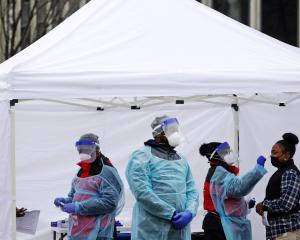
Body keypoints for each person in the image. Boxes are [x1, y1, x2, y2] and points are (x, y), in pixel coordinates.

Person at [126, 115, 199, 240]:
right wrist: (170, 214)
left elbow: (191, 190)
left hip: (180, 230)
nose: (175, 133)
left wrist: (189, 212)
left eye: (176, 130)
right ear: (157, 134)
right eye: (171, 130)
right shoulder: (142, 156)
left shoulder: (182, 159)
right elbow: (142, 192)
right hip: (151, 229)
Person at [53, 133, 124, 240]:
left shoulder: (106, 171)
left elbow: (110, 202)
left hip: (99, 233)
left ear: (96, 149)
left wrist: (78, 207)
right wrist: (65, 201)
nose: (83, 152)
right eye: (80, 149)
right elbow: (75, 197)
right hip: (78, 231)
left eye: (86, 149)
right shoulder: (81, 171)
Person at [199, 141, 267, 240]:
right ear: (215, 155)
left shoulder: (221, 171)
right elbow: (238, 188)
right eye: (225, 152)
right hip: (218, 226)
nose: (229, 154)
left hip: (217, 223)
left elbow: (226, 199)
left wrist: (246, 205)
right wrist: (257, 170)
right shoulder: (219, 173)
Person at [256, 133, 300, 240]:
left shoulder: (290, 173)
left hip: (288, 232)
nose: (271, 156)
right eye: (271, 152)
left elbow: (287, 203)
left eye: (274, 152)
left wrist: (264, 205)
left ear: (286, 155)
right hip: (280, 233)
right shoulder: (281, 172)